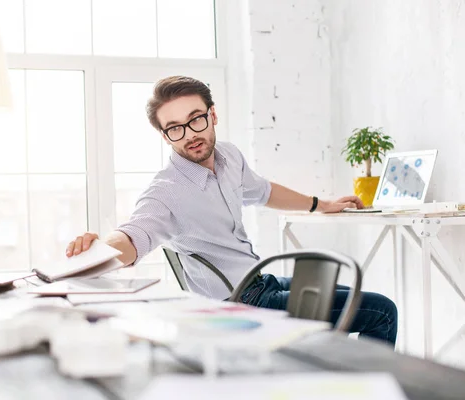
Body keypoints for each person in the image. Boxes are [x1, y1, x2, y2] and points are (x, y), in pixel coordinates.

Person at [66, 76, 397, 347]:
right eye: (175, 128)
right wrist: (98, 252)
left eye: (195, 119)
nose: (190, 135)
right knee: (382, 311)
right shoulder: (166, 191)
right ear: (165, 136)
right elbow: (133, 234)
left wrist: (321, 205)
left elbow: (264, 191)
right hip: (239, 305)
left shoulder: (229, 156)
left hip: (259, 282)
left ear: (212, 114)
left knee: (350, 293)